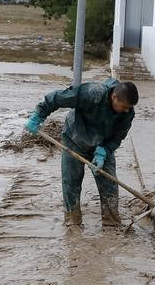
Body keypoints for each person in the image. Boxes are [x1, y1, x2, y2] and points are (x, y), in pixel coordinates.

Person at [25, 79, 138, 226]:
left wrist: (104, 151)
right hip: (75, 138)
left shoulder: (127, 114)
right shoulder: (92, 93)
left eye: (129, 108)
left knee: (109, 185)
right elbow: (58, 97)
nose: (127, 110)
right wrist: (39, 115)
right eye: (124, 107)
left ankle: (112, 224)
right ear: (114, 97)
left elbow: (118, 137)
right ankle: (73, 223)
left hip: (101, 145)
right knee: (71, 182)